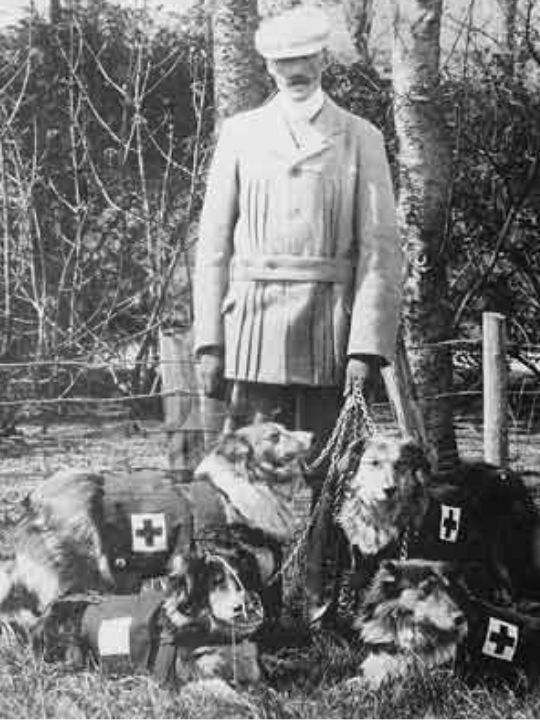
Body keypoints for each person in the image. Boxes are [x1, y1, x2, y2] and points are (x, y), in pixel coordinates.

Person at [193, 5, 403, 621]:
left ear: (323, 59)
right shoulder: (240, 134)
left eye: (304, 59)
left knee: (326, 472)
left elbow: (381, 251)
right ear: (268, 66)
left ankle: (314, 605)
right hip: (253, 328)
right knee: (249, 476)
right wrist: (211, 340)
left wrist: (365, 346)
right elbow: (212, 246)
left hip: (330, 332)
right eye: (282, 63)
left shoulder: (361, 136)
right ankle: (246, 605)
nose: (294, 72)